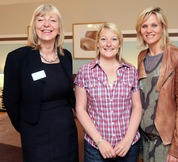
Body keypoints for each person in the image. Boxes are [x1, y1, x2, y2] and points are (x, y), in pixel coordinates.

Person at [3, 4, 79, 162]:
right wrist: (25, 127)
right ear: (34, 26)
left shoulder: (65, 56)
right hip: (35, 133)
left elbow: (69, 96)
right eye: (41, 20)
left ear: (59, 27)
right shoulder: (17, 58)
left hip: (66, 132)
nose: (46, 24)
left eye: (52, 20)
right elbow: (10, 100)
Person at [74, 22, 142, 162]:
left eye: (114, 39)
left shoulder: (131, 71)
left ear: (119, 44)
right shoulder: (85, 72)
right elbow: (80, 109)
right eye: (104, 39)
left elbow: (137, 107)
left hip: (128, 147)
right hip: (96, 148)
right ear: (98, 43)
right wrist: (100, 141)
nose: (109, 44)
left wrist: (128, 140)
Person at [135, 7, 178, 162]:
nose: (149, 30)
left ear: (163, 28)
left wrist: (177, 149)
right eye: (144, 26)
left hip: (165, 141)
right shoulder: (141, 57)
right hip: (142, 139)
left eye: (154, 25)